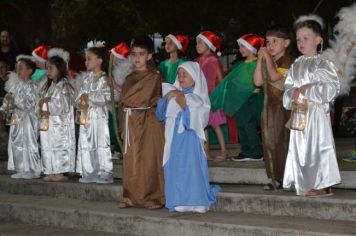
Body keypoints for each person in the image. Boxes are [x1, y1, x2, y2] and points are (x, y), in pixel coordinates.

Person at [282, 14, 341, 197]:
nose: (301, 42)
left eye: (306, 38)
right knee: (300, 148)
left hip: (315, 115)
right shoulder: (296, 64)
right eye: (298, 39)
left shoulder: (324, 63)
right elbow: (288, 87)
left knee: (318, 147)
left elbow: (331, 88)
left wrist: (307, 89)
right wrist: (293, 93)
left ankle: (323, 183)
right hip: (300, 112)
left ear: (318, 40)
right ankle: (303, 180)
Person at [156, 61, 221, 213]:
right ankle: (179, 199)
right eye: (179, 74)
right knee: (176, 167)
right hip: (174, 139)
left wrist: (184, 105)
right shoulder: (173, 92)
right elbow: (160, 115)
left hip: (191, 140)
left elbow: (201, 119)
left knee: (192, 168)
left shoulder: (200, 97)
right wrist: (168, 98)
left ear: (195, 77)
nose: (180, 77)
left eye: (185, 74)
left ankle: (197, 200)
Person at [119, 36, 165, 209]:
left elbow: (144, 98)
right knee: (131, 160)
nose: (136, 58)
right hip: (131, 123)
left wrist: (127, 102)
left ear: (149, 56)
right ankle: (131, 196)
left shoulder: (155, 76)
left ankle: (153, 196)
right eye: (133, 54)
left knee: (149, 159)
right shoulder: (129, 78)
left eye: (141, 54)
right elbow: (123, 104)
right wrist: (122, 126)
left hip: (149, 123)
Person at [210, 33, 265, 161]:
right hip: (241, 101)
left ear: (251, 47)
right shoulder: (240, 65)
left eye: (243, 46)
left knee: (248, 125)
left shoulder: (257, 63)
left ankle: (256, 152)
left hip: (251, 99)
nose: (240, 49)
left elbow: (253, 82)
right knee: (241, 124)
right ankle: (246, 151)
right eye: (240, 47)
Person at [253, 28, 295, 190]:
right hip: (269, 108)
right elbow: (257, 82)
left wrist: (267, 60)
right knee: (269, 143)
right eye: (267, 42)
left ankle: (287, 176)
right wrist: (259, 60)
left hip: (284, 108)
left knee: (282, 142)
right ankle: (275, 177)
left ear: (286, 43)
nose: (270, 45)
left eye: (274, 41)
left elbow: (275, 76)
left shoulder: (288, 61)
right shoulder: (268, 60)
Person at [75, 41, 113, 184]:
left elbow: (107, 97)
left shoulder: (104, 79)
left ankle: (105, 172)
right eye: (86, 59)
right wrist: (81, 99)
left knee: (101, 142)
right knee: (87, 143)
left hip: (99, 117)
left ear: (100, 61)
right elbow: (78, 96)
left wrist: (90, 98)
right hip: (86, 116)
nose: (86, 62)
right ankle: (90, 171)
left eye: (89, 59)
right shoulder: (86, 79)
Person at [38, 48, 75, 182]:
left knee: (59, 147)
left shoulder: (64, 86)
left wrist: (48, 102)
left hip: (59, 125)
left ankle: (60, 170)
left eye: (51, 69)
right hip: (49, 124)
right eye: (47, 69)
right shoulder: (49, 86)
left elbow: (62, 106)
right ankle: (51, 169)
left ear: (60, 69)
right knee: (48, 145)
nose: (48, 72)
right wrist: (42, 102)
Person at [2, 55, 41, 179]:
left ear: (29, 71)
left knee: (28, 143)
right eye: (17, 68)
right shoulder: (16, 86)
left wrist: (14, 102)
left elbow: (30, 104)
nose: (17, 71)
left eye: (21, 68)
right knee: (17, 143)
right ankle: (21, 168)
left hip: (28, 120)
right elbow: (8, 104)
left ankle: (32, 169)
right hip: (17, 120)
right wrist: (6, 102)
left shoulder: (33, 86)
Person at [195, 31, 227, 161]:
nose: (197, 45)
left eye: (200, 42)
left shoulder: (213, 60)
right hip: (200, 98)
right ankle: (206, 152)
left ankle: (224, 152)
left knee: (215, 124)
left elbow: (221, 79)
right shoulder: (197, 61)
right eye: (196, 43)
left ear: (208, 44)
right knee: (204, 126)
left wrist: (217, 95)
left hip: (211, 98)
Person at [107, 42, 133, 159]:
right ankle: (116, 147)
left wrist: (115, 86)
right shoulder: (115, 70)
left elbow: (125, 90)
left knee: (120, 127)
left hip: (124, 105)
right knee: (115, 126)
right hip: (116, 105)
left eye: (112, 55)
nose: (110, 58)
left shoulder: (126, 71)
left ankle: (119, 149)